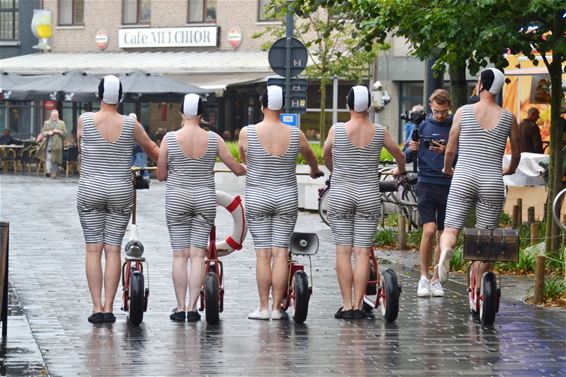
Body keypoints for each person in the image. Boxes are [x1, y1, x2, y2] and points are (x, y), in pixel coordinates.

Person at [76, 75, 159, 324]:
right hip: (120, 191)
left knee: (93, 249)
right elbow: (152, 150)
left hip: (90, 188)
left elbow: (81, 147)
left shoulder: (84, 120)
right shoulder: (130, 125)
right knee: (113, 250)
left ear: (99, 95)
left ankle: (96, 307)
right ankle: (110, 308)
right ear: (121, 97)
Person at [157, 94, 246, 322]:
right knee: (198, 256)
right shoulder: (214, 139)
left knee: (180, 256)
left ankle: (179, 308)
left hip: (177, 198)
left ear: (181, 113)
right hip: (205, 198)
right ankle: (193, 308)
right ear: (202, 113)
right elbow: (236, 168)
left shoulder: (169, 138)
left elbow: (161, 175)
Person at [238, 85, 323, 320]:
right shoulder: (296, 134)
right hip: (286, 196)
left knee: (263, 255)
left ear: (262, 103)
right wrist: (314, 171)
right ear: (282, 105)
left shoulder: (247, 132)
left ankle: (263, 308)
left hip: (258, 197)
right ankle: (277, 309)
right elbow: (312, 158)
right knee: (281, 252)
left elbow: (244, 158)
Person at [323, 85, 406, 319]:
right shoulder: (379, 131)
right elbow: (400, 155)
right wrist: (399, 172)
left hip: (341, 194)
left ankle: (347, 304)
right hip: (368, 195)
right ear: (369, 106)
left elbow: (326, 154)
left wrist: (335, 170)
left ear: (348, 105)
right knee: (362, 253)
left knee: (343, 252)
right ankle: (359, 306)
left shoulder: (337, 130)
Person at [437, 68, 521, 287]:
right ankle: (477, 291)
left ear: (482, 85)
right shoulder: (508, 117)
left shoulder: (463, 112)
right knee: (486, 239)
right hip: (492, 181)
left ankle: (447, 250)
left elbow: (450, 150)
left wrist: (448, 169)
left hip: (464, 177)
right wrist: (510, 169)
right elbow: (517, 154)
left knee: (451, 229)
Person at [403, 89, 453, 297]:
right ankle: (423, 277)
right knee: (429, 230)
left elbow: (461, 157)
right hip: (426, 182)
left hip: (449, 183)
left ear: (449, 108)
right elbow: (405, 156)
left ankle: (436, 279)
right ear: (431, 107)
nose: (440, 115)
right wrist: (412, 148)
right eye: (436, 111)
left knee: (443, 234)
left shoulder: (454, 126)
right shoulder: (421, 126)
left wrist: (447, 152)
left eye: (443, 111)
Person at [39, 110, 68, 178]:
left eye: (56, 115)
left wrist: (59, 131)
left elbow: (65, 133)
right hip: (49, 144)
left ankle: (54, 172)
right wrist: (48, 133)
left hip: (57, 145)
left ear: (58, 116)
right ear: (51, 116)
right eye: (53, 115)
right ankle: (48, 172)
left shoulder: (62, 123)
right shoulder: (46, 123)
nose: (55, 116)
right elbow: (43, 132)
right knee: (48, 158)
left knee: (55, 159)